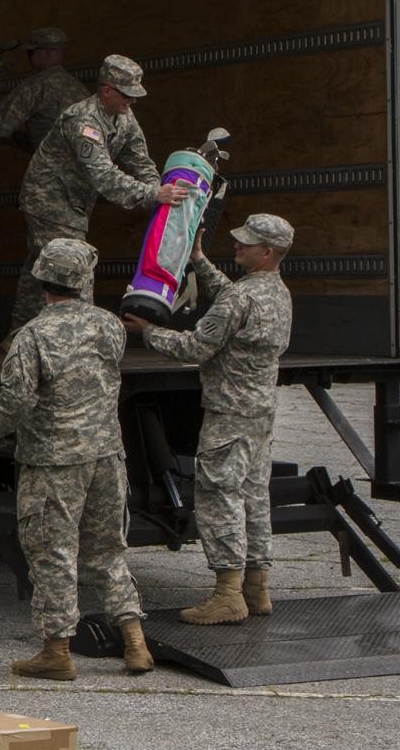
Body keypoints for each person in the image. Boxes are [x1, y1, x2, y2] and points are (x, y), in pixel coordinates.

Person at [0, 237, 152, 679]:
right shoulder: (110, 326)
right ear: (84, 280)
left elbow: (16, 399)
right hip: (106, 456)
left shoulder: (33, 336)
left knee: (53, 553)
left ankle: (56, 652)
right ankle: (135, 642)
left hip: (53, 462)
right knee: (108, 550)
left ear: (43, 280)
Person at [122, 214, 294, 624]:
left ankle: (227, 595)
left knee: (219, 497)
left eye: (246, 244)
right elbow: (232, 297)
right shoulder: (276, 292)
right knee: (254, 497)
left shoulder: (241, 299)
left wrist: (146, 332)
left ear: (266, 253)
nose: (237, 246)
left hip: (228, 414)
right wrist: (199, 259)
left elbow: (196, 347)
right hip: (259, 412)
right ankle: (257, 588)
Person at [9, 54, 190, 334]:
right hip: (50, 199)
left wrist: (156, 190)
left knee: (39, 266)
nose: (133, 102)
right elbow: (104, 176)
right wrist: (151, 194)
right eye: (128, 95)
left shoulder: (123, 115)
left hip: (75, 201)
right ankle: (85, 341)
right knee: (74, 266)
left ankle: (18, 333)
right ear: (107, 90)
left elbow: (140, 160)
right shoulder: (83, 121)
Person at [0, 27, 89, 154]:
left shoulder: (36, 86)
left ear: (46, 52)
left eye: (30, 52)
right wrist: (14, 138)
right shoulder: (79, 88)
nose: (28, 58)